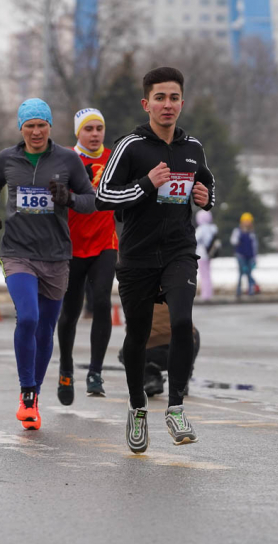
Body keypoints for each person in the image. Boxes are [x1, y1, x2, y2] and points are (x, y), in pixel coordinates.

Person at [95, 66, 215, 451]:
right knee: (139, 335)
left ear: (182, 102)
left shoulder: (192, 148)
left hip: (180, 250)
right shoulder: (131, 146)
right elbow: (104, 197)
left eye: (174, 97)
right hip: (137, 255)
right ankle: (136, 407)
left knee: (182, 322)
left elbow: (207, 182)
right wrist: (147, 184)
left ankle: (176, 407)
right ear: (147, 104)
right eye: (160, 98)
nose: (168, 105)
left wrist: (206, 198)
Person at [0, 98, 96, 430]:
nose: (35, 131)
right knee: (27, 317)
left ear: (50, 127)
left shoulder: (68, 159)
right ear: (21, 128)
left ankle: (35, 393)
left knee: (46, 329)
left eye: (41, 125)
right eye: (29, 125)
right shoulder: (7, 158)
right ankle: (27, 392)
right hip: (17, 252)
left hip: (57, 256)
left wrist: (69, 199)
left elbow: (91, 201)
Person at [55, 108, 117, 404]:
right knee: (70, 312)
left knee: (103, 301)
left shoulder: (114, 158)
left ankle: (95, 371)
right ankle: (66, 368)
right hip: (72, 246)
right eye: (88, 129)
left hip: (105, 242)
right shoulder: (67, 159)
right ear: (77, 132)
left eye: (99, 129)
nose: (94, 134)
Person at [118, 302, 201, 398]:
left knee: (125, 352)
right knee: (192, 333)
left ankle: (151, 377)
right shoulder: (177, 291)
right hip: (182, 348)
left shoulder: (138, 292)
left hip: (152, 351)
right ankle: (182, 378)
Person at [231, 212, 259, 298]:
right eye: (245, 221)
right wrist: (238, 239)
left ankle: (251, 291)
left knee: (249, 273)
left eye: (248, 221)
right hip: (241, 256)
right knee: (241, 273)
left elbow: (255, 245)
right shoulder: (237, 231)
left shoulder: (252, 233)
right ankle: (238, 291)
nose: (247, 223)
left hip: (250, 256)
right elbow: (233, 241)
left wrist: (255, 257)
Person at [195, 210, 218, 301]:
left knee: (203, 275)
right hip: (210, 253)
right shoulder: (213, 228)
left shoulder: (200, 229)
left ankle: (205, 294)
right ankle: (209, 293)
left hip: (201, 254)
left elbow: (195, 240)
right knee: (208, 274)